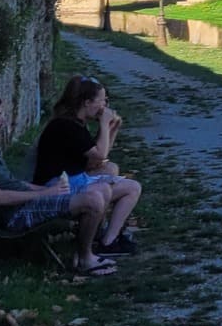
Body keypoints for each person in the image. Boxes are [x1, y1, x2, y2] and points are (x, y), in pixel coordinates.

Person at [0, 94, 118, 277]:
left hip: (24, 202)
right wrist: (45, 193)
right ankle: (85, 259)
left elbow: (13, 183)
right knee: (93, 200)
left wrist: (46, 190)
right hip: (14, 215)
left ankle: (91, 243)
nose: (3, 120)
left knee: (102, 188)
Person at [33, 75, 144, 255]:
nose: (104, 106)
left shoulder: (73, 122)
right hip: (57, 188)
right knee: (132, 188)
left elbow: (98, 159)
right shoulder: (68, 127)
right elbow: (100, 154)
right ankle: (108, 242)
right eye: (102, 101)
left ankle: (103, 234)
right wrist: (103, 123)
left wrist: (112, 128)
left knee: (111, 168)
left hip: (67, 180)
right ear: (87, 102)